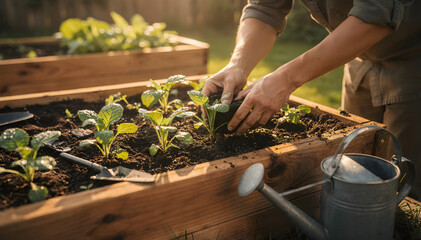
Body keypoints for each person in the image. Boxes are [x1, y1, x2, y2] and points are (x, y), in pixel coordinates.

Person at [202, 0, 421, 199]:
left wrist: (286, 79)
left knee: (405, 185)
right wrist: (237, 64)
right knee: (351, 168)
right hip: (359, 56)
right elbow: (264, 9)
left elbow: (376, 15)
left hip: (413, 53)